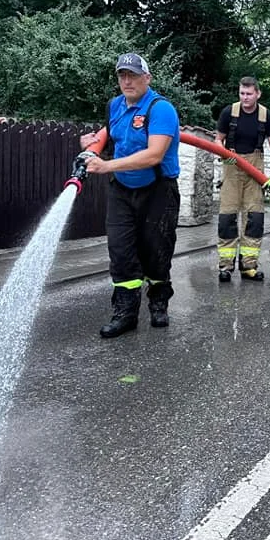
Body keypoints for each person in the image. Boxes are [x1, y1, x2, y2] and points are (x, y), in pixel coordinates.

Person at [79, 53, 181, 338]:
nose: (127, 81)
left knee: (156, 252)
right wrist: (91, 143)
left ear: (146, 78)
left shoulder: (161, 109)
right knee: (121, 253)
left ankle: (159, 304)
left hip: (157, 191)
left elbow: (154, 154)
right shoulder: (115, 105)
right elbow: (109, 132)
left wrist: (106, 165)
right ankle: (125, 313)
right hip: (122, 190)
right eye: (122, 76)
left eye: (133, 75)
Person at [215, 76, 270, 282]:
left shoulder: (265, 116)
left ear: (257, 94)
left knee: (254, 220)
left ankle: (249, 267)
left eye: (249, 94)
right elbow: (218, 140)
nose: (245, 97)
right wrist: (225, 154)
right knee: (227, 218)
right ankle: (225, 267)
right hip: (232, 170)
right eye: (242, 93)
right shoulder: (229, 113)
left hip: (255, 173)